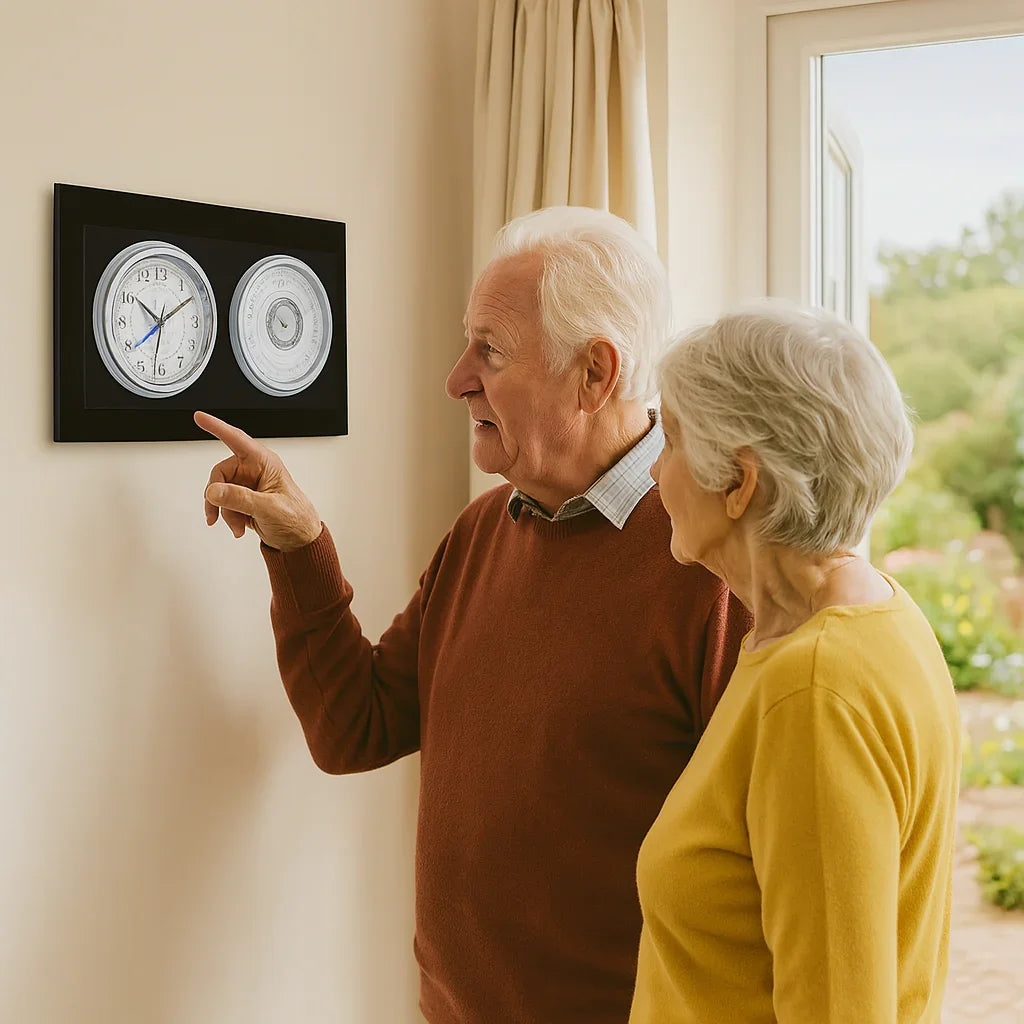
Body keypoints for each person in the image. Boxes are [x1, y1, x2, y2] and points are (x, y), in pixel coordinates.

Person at [195, 207, 752, 1024]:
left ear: (595, 374)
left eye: (488, 350)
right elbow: (358, 726)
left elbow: (766, 886)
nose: (456, 378)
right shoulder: (486, 529)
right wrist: (301, 544)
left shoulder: (716, 568)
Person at [630, 299, 961, 1024]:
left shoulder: (813, 691)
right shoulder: (879, 621)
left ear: (739, 482)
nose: (655, 473)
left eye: (673, 441)